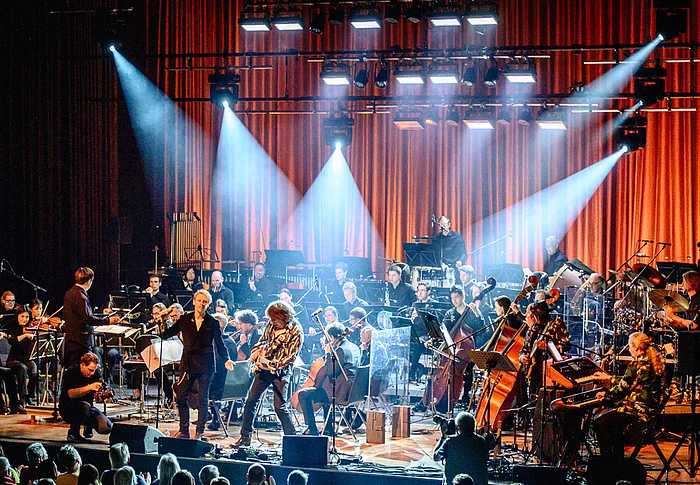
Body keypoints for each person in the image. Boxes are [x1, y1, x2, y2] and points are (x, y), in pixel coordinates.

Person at [161, 289, 234, 439]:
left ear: (208, 305)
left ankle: (200, 431)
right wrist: (163, 321)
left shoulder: (212, 322)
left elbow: (220, 344)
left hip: (206, 364)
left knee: (202, 398)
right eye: (199, 301)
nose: (201, 304)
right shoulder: (184, 320)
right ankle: (184, 430)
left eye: (204, 302)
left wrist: (226, 359)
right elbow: (166, 334)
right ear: (194, 301)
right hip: (188, 363)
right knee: (181, 396)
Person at [237, 300, 302, 446]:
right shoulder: (271, 325)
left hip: (281, 371)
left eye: (275, 319)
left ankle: (293, 440)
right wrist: (256, 352)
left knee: (280, 407)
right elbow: (262, 341)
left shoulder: (296, 330)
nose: (272, 322)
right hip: (263, 370)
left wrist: (270, 364)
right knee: (250, 401)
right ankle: (245, 438)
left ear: (283, 316)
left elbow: (291, 357)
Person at [593, 332, 664, 460]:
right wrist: (608, 378)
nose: (629, 349)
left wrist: (605, 395)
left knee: (601, 421)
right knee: (614, 425)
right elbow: (631, 380)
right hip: (650, 408)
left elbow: (622, 388)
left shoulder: (637, 364)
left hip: (638, 410)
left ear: (636, 347)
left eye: (630, 346)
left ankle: (607, 462)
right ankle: (617, 460)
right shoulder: (649, 360)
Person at [297, 322, 360, 435]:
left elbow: (330, 372)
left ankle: (312, 428)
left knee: (303, 394)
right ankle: (328, 428)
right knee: (324, 386)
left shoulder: (340, 350)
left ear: (332, 337)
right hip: (353, 391)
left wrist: (327, 353)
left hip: (339, 393)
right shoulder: (354, 347)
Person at [63, 267, 119, 368]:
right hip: (81, 341)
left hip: (72, 339)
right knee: (84, 369)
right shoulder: (81, 296)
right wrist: (108, 321)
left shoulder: (69, 293)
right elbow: (88, 318)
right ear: (89, 281)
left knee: (74, 369)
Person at [518, 293, 570, 397]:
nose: (533, 317)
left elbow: (566, 346)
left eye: (535, 314)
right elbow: (523, 350)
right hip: (532, 373)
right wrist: (522, 358)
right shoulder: (532, 328)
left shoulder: (556, 324)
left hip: (548, 372)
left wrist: (548, 346)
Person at [59, 352, 113, 442]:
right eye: (90, 370)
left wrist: (104, 396)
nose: (92, 373)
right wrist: (90, 387)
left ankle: (88, 425)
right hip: (68, 408)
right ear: (83, 365)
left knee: (106, 427)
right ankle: (73, 433)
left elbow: (101, 389)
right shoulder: (71, 372)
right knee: (84, 407)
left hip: (88, 407)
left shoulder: (95, 373)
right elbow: (71, 394)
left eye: (94, 370)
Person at [441, 286, 480, 403]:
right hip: (453, 347)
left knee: (468, 366)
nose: (454, 300)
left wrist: (476, 312)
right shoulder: (450, 313)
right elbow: (444, 329)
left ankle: (466, 395)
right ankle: (446, 392)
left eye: (457, 297)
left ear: (463, 296)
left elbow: (480, 327)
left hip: (468, 347)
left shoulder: (471, 311)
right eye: (452, 298)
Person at [433, 412, 489, 485]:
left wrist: (443, 437)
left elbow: (436, 457)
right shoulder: (481, 441)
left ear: (458, 427)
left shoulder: (450, 442)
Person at [5, 306, 38, 406]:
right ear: (17, 316)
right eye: (22, 316)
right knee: (22, 368)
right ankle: (23, 398)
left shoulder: (30, 327)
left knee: (34, 368)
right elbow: (12, 341)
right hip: (13, 360)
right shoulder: (12, 327)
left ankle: (30, 396)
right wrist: (25, 335)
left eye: (27, 317)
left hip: (26, 359)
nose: (25, 319)